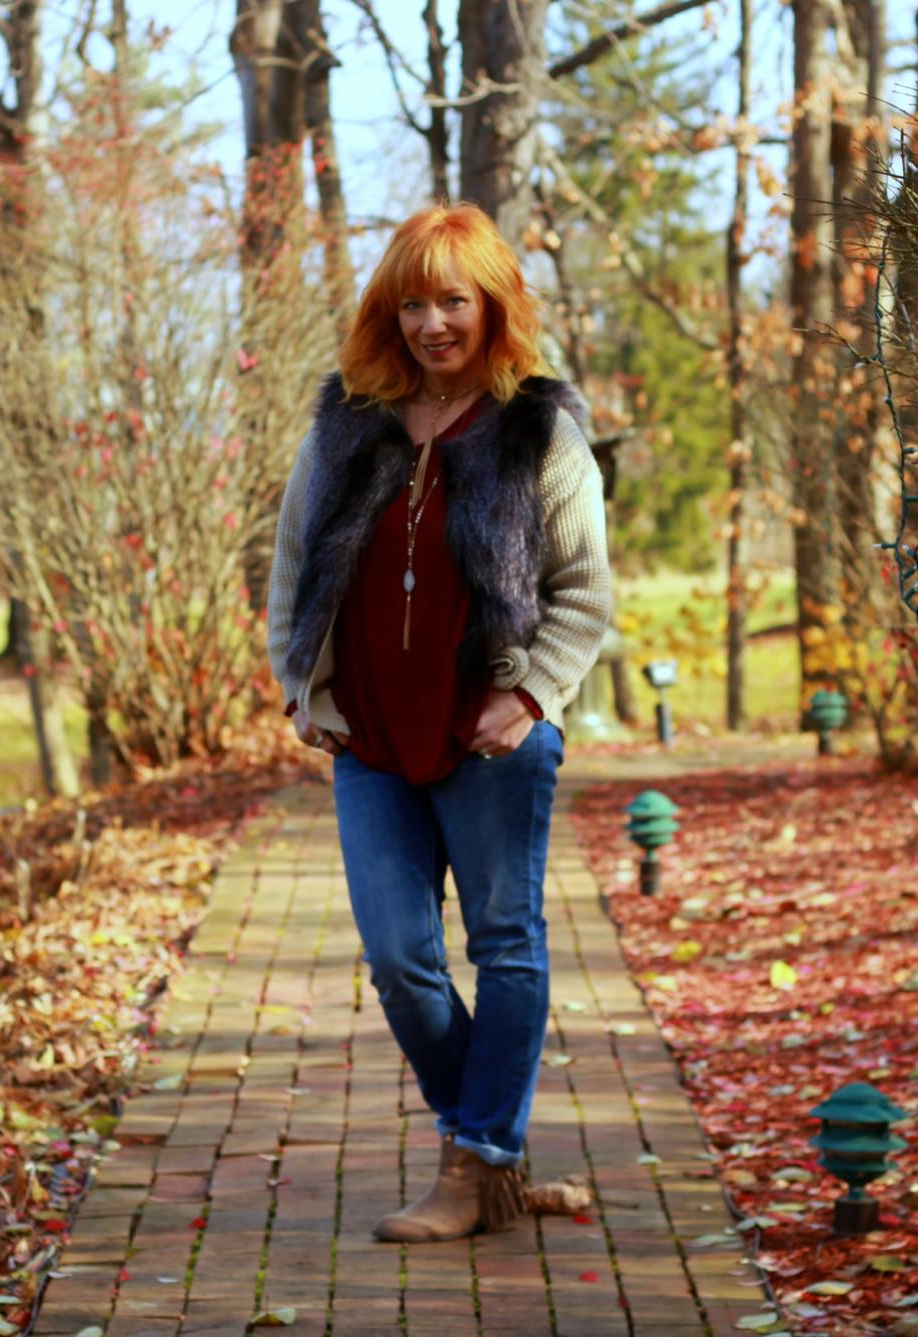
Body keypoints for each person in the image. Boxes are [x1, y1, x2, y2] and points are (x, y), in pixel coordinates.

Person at [266, 203, 612, 1242]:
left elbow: (585, 592)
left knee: (506, 942)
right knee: (400, 956)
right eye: (411, 302)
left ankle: (475, 1166)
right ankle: (491, 1143)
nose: (431, 324)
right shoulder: (346, 423)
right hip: (369, 732)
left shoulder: (538, 429)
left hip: (490, 731)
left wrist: (531, 694)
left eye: (452, 300)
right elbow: (292, 568)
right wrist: (302, 686)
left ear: (492, 305)